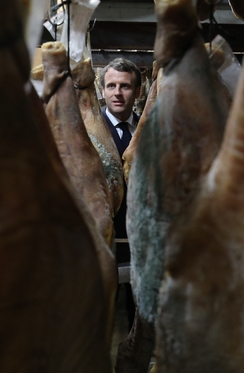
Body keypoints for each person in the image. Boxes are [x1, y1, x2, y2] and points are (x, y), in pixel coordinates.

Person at [100, 58, 141, 329]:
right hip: (102, 239)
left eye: (125, 86)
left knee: (139, 319)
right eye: (111, 85)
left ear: (137, 91)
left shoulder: (147, 129)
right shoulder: (87, 130)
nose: (117, 92)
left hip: (139, 241)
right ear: (101, 90)